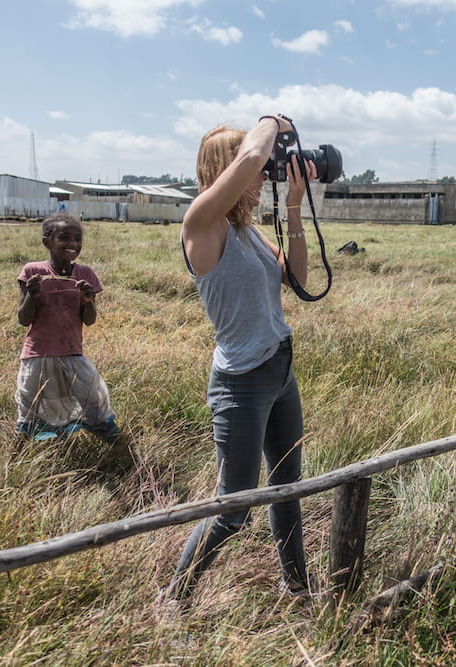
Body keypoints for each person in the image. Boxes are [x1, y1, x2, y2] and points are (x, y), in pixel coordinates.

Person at [166, 116, 318, 601]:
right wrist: (272, 122)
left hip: (279, 371)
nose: (262, 177)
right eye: (256, 171)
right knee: (233, 509)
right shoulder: (202, 225)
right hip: (242, 383)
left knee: (287, 489)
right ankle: (177, 596)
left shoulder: (249, 232)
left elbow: (296, 278)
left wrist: (293, 208)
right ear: (226, 170)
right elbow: (253, 155)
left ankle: (296, 586)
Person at [15, 212, 122, 445]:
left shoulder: (85, 274)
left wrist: (87, 299)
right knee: (31, 405)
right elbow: (24, 319)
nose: (72, 244)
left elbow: (90, 320)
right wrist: (32, 295)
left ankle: (117, 447)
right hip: (38, 353)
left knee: (92, 397)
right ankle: (20, 453)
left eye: (77, 239)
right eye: (64, 238)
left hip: (72, 351)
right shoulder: (33, 271)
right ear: (47, 242)